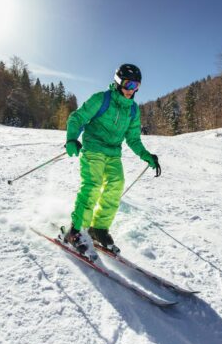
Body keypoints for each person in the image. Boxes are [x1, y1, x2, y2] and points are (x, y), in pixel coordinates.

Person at [63, 63, 161, 257]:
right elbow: (77, 118)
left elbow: (133, 139)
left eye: (136, 86)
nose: (131, 90)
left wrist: (146, 155)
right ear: (118, 82)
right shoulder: (101, 99)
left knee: (116, 185)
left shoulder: (132, 110)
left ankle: (98, 229)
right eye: (128, 85)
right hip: (93, 148)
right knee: (93, 185)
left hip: (113, 153)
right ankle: (76, 230)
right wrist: (72, 138)